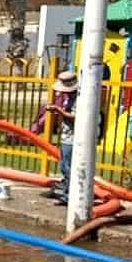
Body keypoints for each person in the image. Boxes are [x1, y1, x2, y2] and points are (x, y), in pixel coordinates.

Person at [45, 70, 78, 205]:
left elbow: (75, 116)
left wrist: (58, 110)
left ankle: (69, 196)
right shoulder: (69, 98)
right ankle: (66, 193)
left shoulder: (78, 99)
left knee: (68, 167)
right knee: (64, 166)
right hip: (66, 135)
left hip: (72, 138)